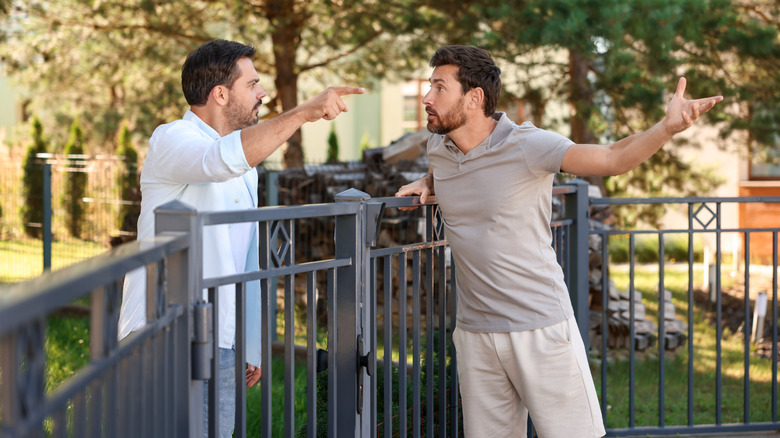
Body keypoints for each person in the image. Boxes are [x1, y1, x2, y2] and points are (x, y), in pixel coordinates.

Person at [395, 45, 722, 438]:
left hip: (540, 327)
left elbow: (612, 158)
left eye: (439, 87)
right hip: (474, 332)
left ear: (475, 98)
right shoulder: (440, 147)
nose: (427, 98)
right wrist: (428, 181)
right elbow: (451, 169)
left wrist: (666, 127)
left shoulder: (528, 145)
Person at [118, 39, 364, 438]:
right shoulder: (172, 138)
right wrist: (302, 113)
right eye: (252, 84)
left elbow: (245, 259)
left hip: (220, 338)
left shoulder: (246, 167)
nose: (262, 93)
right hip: (165, 333)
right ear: (220, 94)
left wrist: (248, 343)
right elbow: (218, 161)